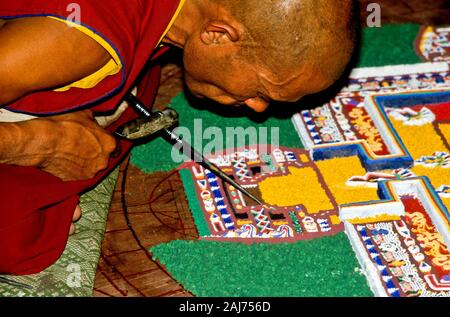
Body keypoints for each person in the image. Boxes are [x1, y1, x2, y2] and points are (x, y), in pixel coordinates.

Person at [0, 0, 357, 274]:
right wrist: (36, 143)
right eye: (261, 90)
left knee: (130, 92)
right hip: (49, 50)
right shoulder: (79, 41)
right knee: (20, 233)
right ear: (217, 34)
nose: (259, 108)